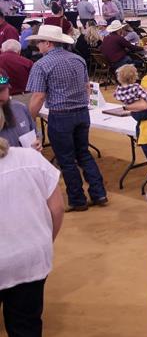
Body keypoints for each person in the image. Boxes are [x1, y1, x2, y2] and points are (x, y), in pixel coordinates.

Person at [0, 111, 64, 337]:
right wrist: (43, 242)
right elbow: (57, 208)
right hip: (31, 258)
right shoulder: (31, 159)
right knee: (26, 326)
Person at [25, 25, 107, 212]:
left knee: (67, 159)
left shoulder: (42, 65)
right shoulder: (78, 59)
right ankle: (99, 192)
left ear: (48, 43)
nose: (37, 46)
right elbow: (87, 87)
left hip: (61, 115)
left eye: (39, 42)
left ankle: (77, 200)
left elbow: (38, 96)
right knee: (84, 153)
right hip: (81, 112)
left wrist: (30, 118)